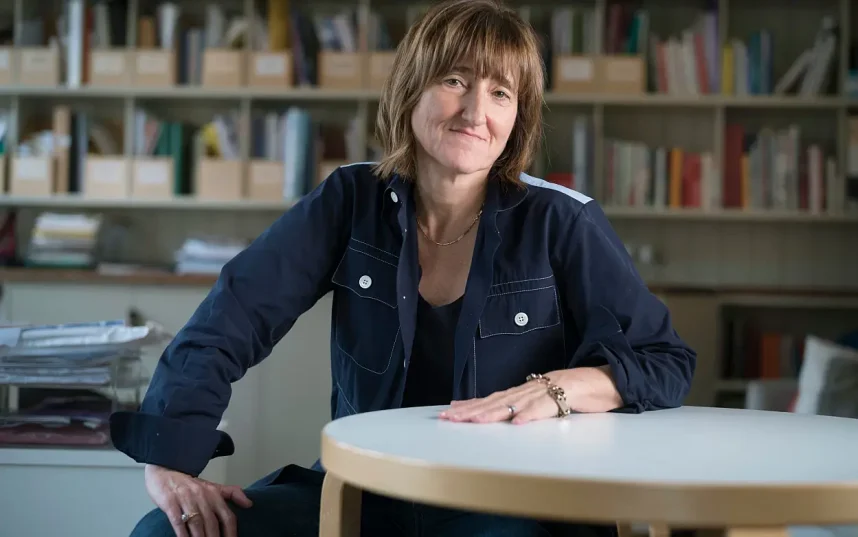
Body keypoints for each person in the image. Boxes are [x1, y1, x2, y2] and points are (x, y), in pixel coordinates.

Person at [111, 0, 697, 535]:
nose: (475, 111)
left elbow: (664, 360)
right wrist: (170, 458)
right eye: (455, 80)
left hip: (513, 506)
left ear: (519, 117)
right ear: (410, 90)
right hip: (368, 493)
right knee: (161, 532)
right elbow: (233, 316)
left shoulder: (563, 220)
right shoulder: (348, 200)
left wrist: (562, 387)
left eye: (501, 93)